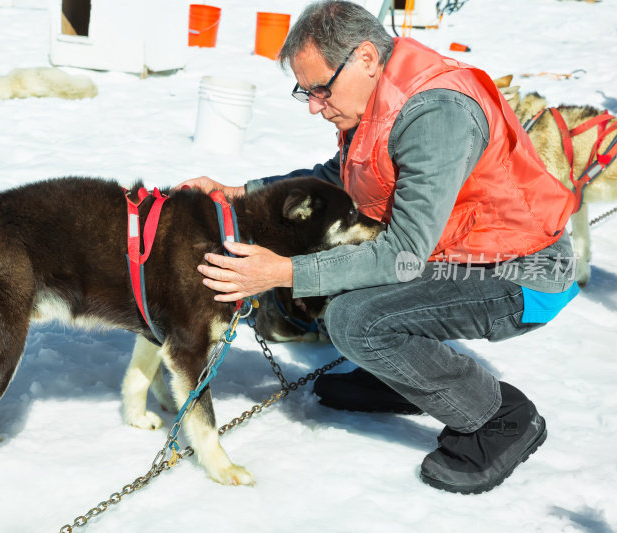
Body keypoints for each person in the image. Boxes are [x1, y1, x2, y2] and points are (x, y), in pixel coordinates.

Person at [177, 0, 579, 494]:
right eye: (304, 91)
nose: (312, 105)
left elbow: (401, 254)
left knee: (356, 318)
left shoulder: (436, 114)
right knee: (347, 292)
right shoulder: (377, 102)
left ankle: (499, 416)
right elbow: (339, 179)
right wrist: (242, 191)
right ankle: (404, 375)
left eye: (320, 89)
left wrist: (285, 272)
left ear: (366, 58)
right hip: (457, 255)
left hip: (521, 272)